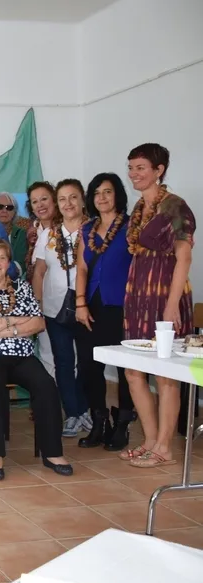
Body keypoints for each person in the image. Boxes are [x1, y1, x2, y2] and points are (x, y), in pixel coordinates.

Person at [0, 238, 73, 480]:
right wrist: (18, 321)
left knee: (46, 385)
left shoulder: (22, 288)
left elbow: (39, 323)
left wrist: (5, 329)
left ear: (9, 262)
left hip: (20, 355)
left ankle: (52, 452)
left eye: (1, 258)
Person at [121, 143, 195, 468]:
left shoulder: (175, 206)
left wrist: (171, 305)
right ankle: (150, 439)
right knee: (133, 370)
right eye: (131, 167)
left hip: (165, 293)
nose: (134, 173)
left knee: (166, 375)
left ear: (159, 170)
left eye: (140, 167)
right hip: (138, 294)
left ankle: (165, 447)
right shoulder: (139, 208)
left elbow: (184, 256)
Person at [74, 173, 136, 451]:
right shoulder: (86, 230)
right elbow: (82, 268)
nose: (102, 197)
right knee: (89, 365)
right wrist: (79, 303)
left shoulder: (132, 227)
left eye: (107, 192)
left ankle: (122, 424)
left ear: (117, 195)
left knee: (125, 369)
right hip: (91, 307)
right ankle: (100, 421)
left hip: (122, 306)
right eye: (97, 192)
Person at [32, 179, 90, 438]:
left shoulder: (93, 230)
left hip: (87, 308)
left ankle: (89, 410)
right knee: (63, 362)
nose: (68, 203)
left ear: (82, 200)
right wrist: (38, 306)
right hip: (55, 308)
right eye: (63, 198)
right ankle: (73, 413)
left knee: (88, 364)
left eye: (73, 197)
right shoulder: (49, 234)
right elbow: (40, 271)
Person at [25, 181, 60, 379]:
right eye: (35, 201)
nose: (40, 205)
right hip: (39, 300)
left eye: (44, 199)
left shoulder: (69, 229)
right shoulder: (32, 232)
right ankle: (49, 402)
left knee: (66, 354)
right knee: (46, 352)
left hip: (63, 300)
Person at [0, 192, 28, 277]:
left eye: (9, 208)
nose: (4, 211)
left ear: (14, 212)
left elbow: (20, 263)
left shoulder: (21, 233)